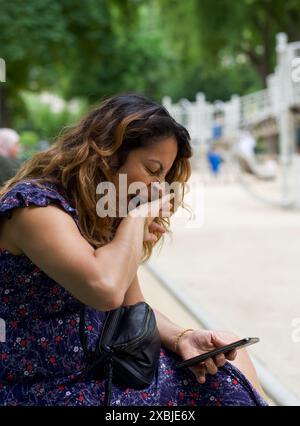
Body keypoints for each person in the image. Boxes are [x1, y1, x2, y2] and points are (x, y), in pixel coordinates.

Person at [0, 93, 268, 406]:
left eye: (164, 176)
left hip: (106, 369)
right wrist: (135, 218)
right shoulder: (35, 207)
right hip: (52, 388)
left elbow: (132, 305)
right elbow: (105, 289)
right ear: (107, 154)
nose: (158, 187)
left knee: (233, 364)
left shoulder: (95, 212)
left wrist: (184, 338)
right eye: (153, 170)